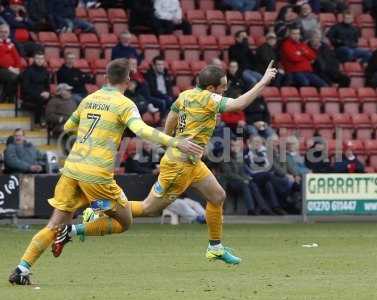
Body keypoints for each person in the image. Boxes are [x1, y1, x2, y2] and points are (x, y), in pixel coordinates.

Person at [8, 58, 203, 285]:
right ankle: (76, 229)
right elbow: (142, 130)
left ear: (105, 78)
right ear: (128, 80)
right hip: (96, 174)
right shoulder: (124, 104)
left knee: (54, 224)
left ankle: (22, 269)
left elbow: (69, 126)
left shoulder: (88, 99)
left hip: (72, 169)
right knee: (125, 221)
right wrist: (175, 142)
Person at [128, 62, 278, 264]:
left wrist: (168, 139)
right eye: (222, 87)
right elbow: (239, 104)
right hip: (179, 165)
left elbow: (172, 115)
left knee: (217, 196)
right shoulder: (208, 98)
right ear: (210, 88)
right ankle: (102, 207)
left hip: (191, 161)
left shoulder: (186, 95)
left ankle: (215, 248)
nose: (224, 90)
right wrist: (264, 80)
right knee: (148, 209)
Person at [218, 139, 267, 215]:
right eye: (234, 146)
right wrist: (243, 179)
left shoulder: (239, 157)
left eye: (237, 146)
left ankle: (263, 208)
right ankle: (251, 209)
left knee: (252, 183)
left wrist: (247, 178)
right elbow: (229, 174)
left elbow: (242, 172)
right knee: (245, 185)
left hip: (239, 181)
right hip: (229, 181)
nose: (236, 148)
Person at [21, 51, 50, 126]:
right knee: (40, 99)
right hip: (30, 94)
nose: (40, 60)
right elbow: (25, 87)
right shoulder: (28, 71)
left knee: (54, 99)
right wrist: (39, 93)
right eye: (37, 58)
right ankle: (37, 122)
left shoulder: (45, 71)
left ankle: (51, 123)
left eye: (41, 58)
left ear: (44, 60)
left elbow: (47, 86)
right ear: (34, 59)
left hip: (42, 93)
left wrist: (47, 92)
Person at [0, 22, 20, 102]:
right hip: (1, 68)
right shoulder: (9, 44)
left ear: (8, 33)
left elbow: (17, 58)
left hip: (11, 70)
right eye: (1, 32)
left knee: (19, 76)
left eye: (5, 32)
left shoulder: (10, 43)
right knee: (13, 77)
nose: (3, 34)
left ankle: (8, 97)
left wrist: (17, 68)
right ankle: (5, 96)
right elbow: (0, 58)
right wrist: (10, 68)